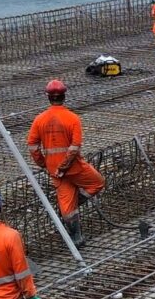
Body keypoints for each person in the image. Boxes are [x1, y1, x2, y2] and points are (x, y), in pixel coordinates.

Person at [26, 79, 106, 248]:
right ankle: (77, 204)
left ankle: (76, 237)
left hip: (54, 170)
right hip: (74, 168)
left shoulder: (39, 119)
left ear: (48, 97)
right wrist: (65, 165)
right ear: (64, 96)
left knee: (67, 207)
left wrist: (44, 163)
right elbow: (75, 147)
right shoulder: (72, 118)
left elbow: (32, 145)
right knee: (97, 182)